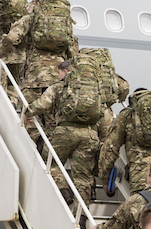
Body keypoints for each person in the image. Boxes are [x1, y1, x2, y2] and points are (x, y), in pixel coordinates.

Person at [25, 57, 102, 206]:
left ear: (65, 71)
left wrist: (27, 113)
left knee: (50, 162)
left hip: (66, 132)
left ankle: (64, 190)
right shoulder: (95, 90)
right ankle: (82, 217)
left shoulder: (59, 87)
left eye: (59, 73)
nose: (58, 77)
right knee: (83, 177)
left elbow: (42, 104)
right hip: (90, 133)